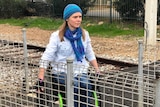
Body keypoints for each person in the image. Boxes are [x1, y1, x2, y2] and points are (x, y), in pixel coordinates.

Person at [37, 3, 99, 107]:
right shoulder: (57, 36)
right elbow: (47, 56)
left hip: (80, 70)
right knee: (73, 85)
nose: (78, 20)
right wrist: (41, 77)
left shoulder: (84, 34)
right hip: (61, 71)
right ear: (67, 19)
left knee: (85, 85)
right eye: (75, 17)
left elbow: (89, 53)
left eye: (80, 17)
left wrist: (97, 69)